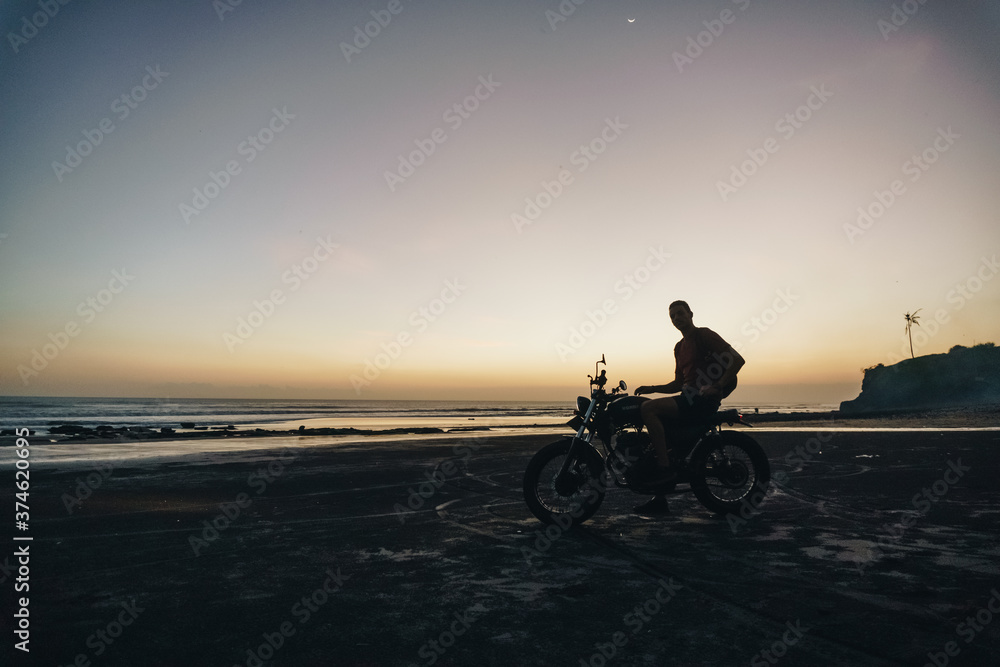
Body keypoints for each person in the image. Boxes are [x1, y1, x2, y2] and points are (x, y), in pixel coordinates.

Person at [631, 300, 745, 495]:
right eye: (672, 316)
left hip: (701, 401)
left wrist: (717, 386)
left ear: (691, 314)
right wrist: (652, 388)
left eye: (680, 313)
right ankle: (660, 497)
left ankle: (665, 469)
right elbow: (678, 383)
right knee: (659, 438)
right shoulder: (678, 347)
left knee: (648, 409)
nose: (676, 318)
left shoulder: (703, 335)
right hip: (687, 398)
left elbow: (737, 359)